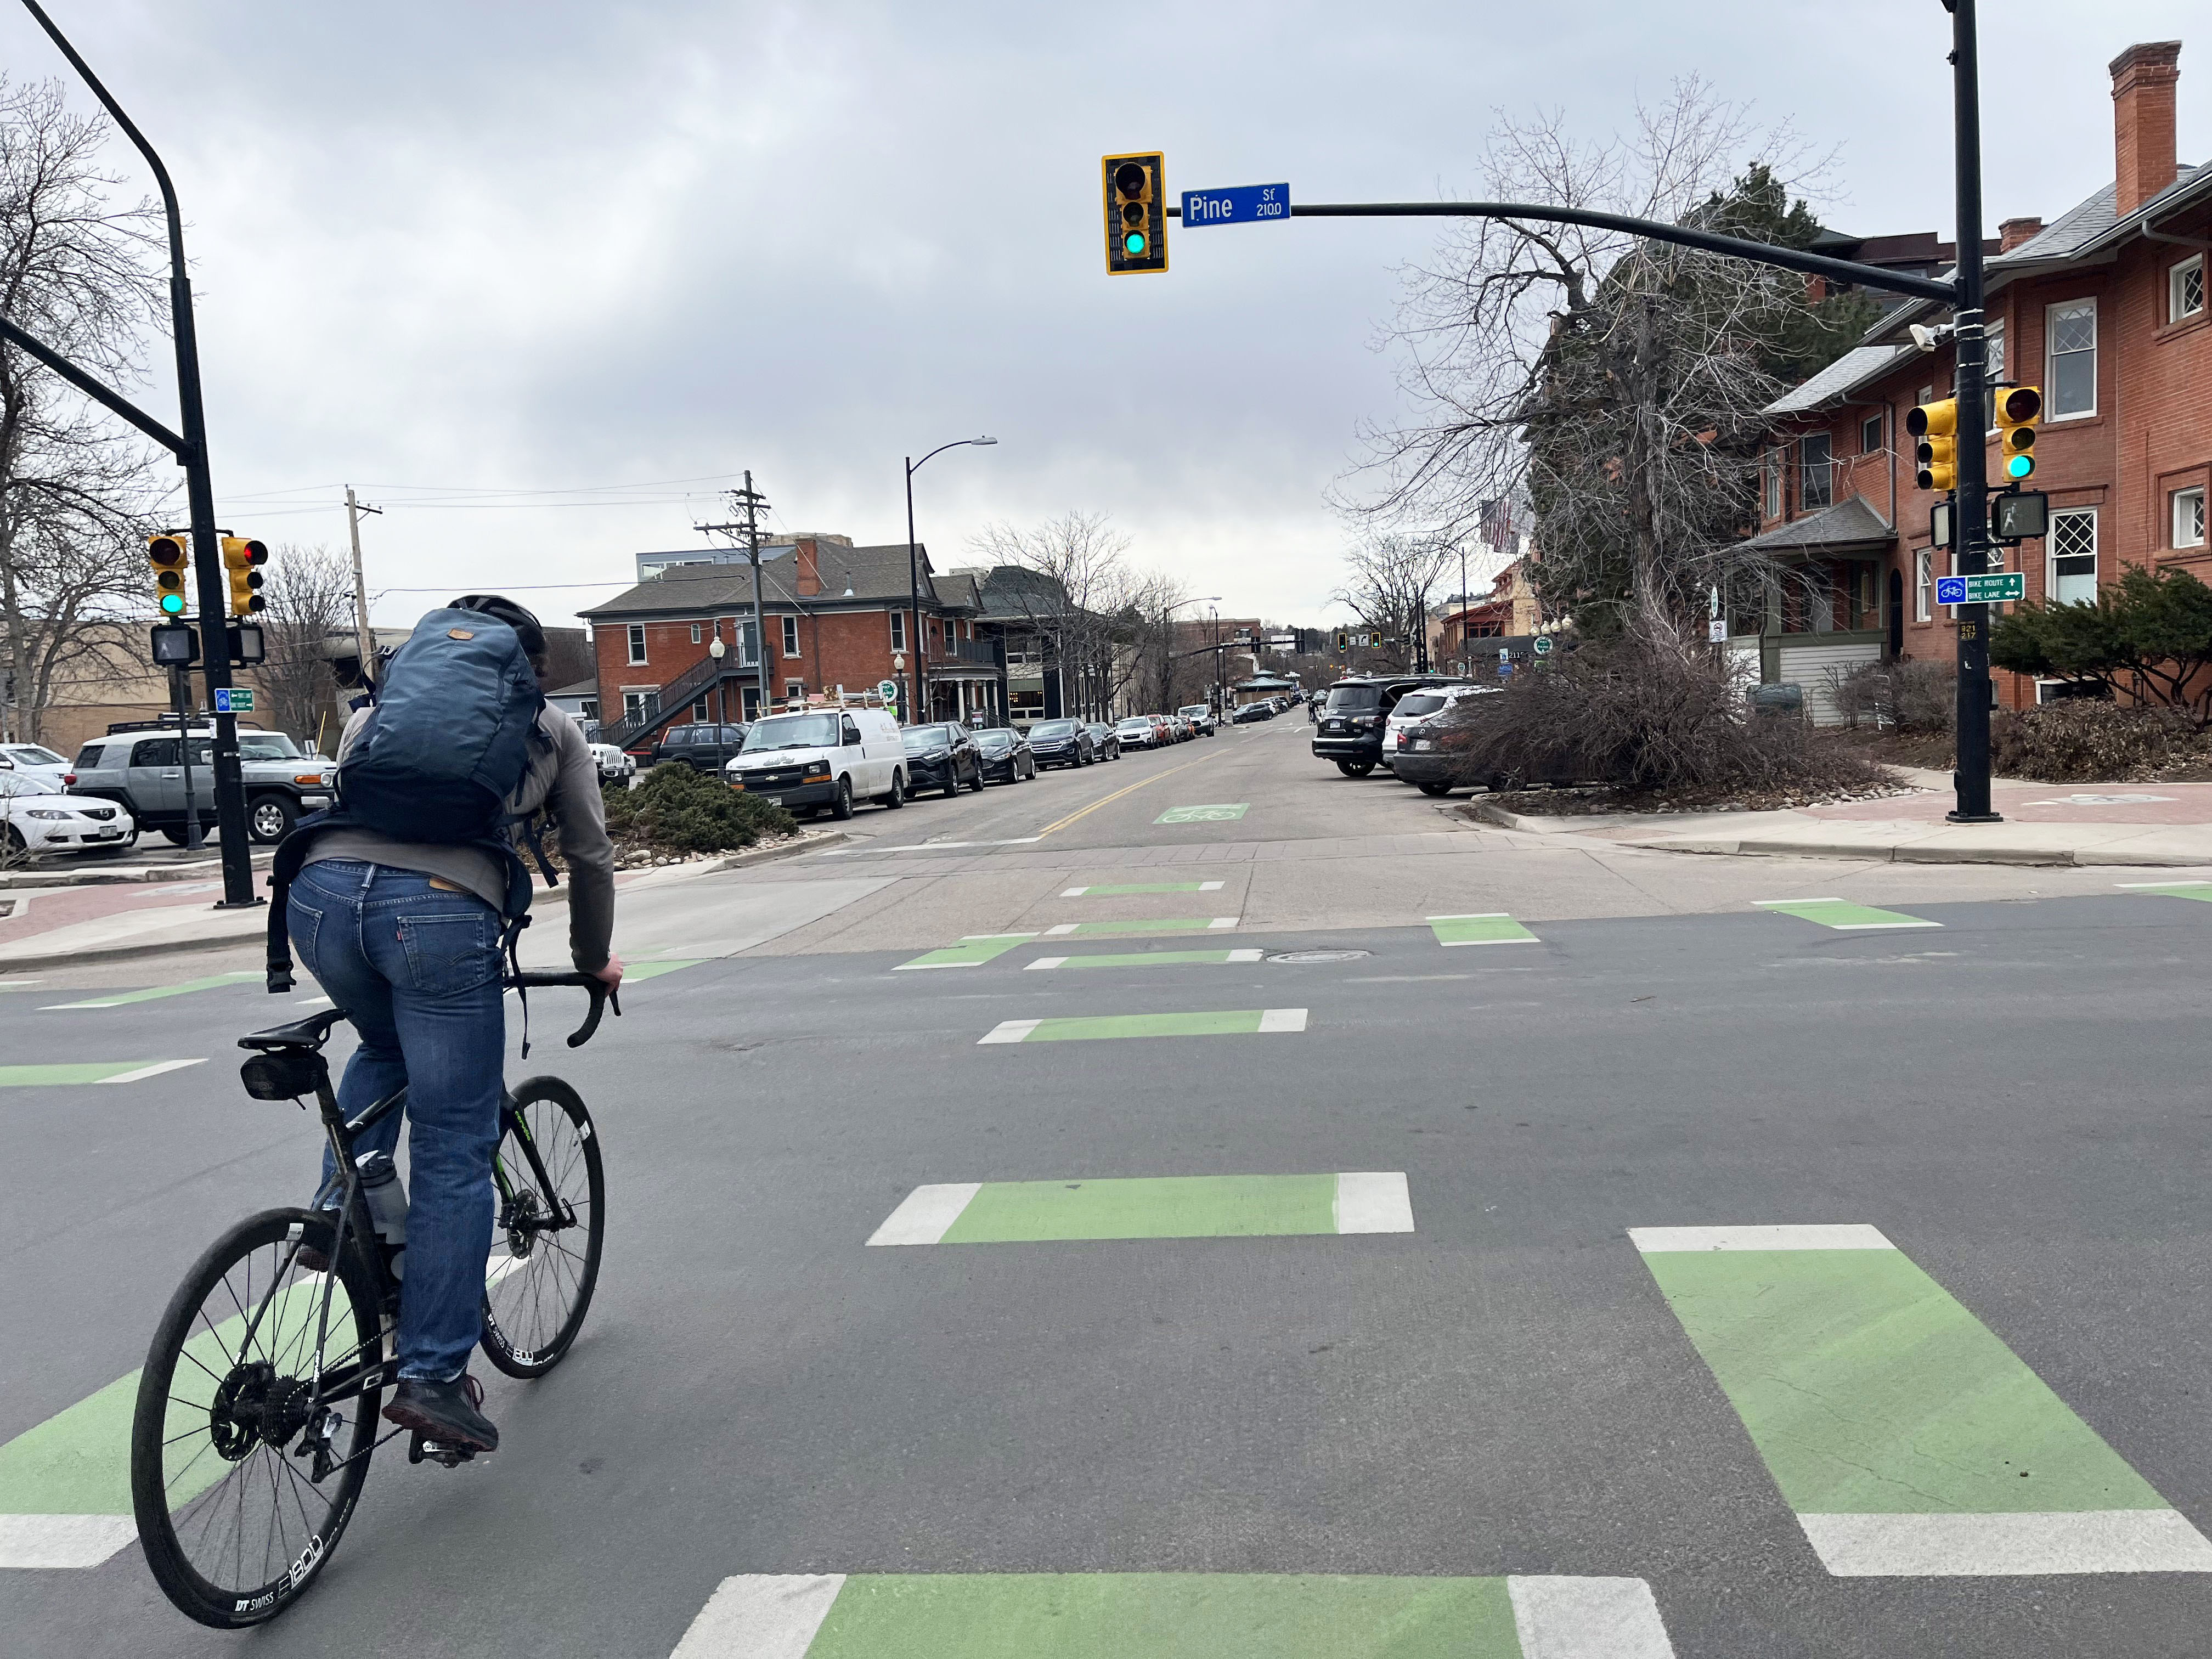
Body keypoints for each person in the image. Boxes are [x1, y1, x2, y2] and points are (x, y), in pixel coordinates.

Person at [287, 595, 619, 1454]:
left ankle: (340, 1215)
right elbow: (588, 854)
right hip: (439, 911)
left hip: (317, 896)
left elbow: (349, 801)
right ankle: (433, 1373)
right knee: (454, 1143)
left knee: (385, 1042)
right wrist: (593, 957)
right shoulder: (550, 727)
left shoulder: (377, 718)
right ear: (530, 666)